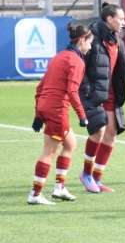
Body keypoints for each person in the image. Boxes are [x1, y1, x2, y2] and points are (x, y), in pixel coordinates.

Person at [28, 24, 93, 205]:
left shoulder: (58, 57)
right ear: (82, 40)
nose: (91, 46)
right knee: (49, 151)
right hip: (57, 110)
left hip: (46, 106)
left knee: (70, 144)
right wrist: (82, 116)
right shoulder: (76, 61)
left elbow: (40, 87)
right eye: (90, 42)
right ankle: (35, 194)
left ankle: (59, 188)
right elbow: (72, 91)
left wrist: (38, 114)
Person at [79, 2, 125, 194]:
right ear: (109, 19)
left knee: (112, 133)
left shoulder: (117, 41)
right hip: (94, 94)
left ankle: (96, 179)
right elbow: (79, 64)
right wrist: (87, 91)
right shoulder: (91, 38)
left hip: (111, 94)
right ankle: (86, 174)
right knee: (98, 132)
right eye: (120, 18)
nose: (124, 22)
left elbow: (118, 71)